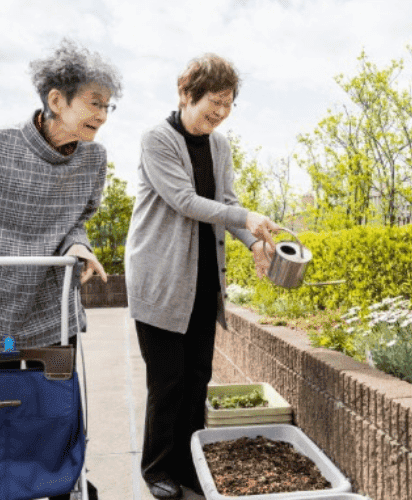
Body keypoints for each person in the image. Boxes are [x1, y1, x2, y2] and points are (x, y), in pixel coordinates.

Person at [0, 39, 122, 500]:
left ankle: (57, 481)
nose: (103, 116)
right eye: (95, 103)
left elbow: (80, 216)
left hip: (50, 311)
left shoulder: (94, 158)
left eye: (108, 107)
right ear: (56, 100)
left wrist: (78, 242)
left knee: (50, 413)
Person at [125, 53, 280, 499]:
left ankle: (188, 464)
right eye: (214, 101)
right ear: (186, 94)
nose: (220, 112)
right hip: (162, 278)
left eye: (228, 104)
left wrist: (253, 243)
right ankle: (156, 469)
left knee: (197, 378)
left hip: (203, 281)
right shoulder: (157, 139)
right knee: (167, 381)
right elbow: (185, 201)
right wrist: (246, 215)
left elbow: (225, 203)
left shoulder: (220, 145)